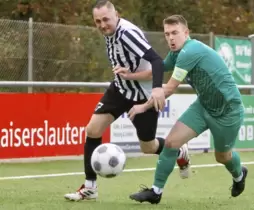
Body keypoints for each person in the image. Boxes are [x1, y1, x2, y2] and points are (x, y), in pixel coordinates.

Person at [64, 2, 190, 202]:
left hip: (142, 94)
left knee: (147, 147)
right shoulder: (109, 33)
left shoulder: (127, 34)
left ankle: (179, 151)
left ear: (116, 15)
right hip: (121, 88)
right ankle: (90, 188)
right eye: (98, 21)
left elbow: (157, 61)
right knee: (92, 130)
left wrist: (157, 89)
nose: (103, 25)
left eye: (106, 19)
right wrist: (126, 75)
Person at [128, 14, 248, 204]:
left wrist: (143, 106)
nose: (170, 38)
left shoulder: (190, 51)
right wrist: (130, 75)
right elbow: (156, 70)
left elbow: (169, 88)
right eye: (167, 34)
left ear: (186, 32)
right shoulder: (176, 54)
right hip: (203, 106)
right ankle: (155, 192)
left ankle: (239, 175)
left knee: (222, 157)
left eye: (175, 33)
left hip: (228, 111)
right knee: (170, 144)